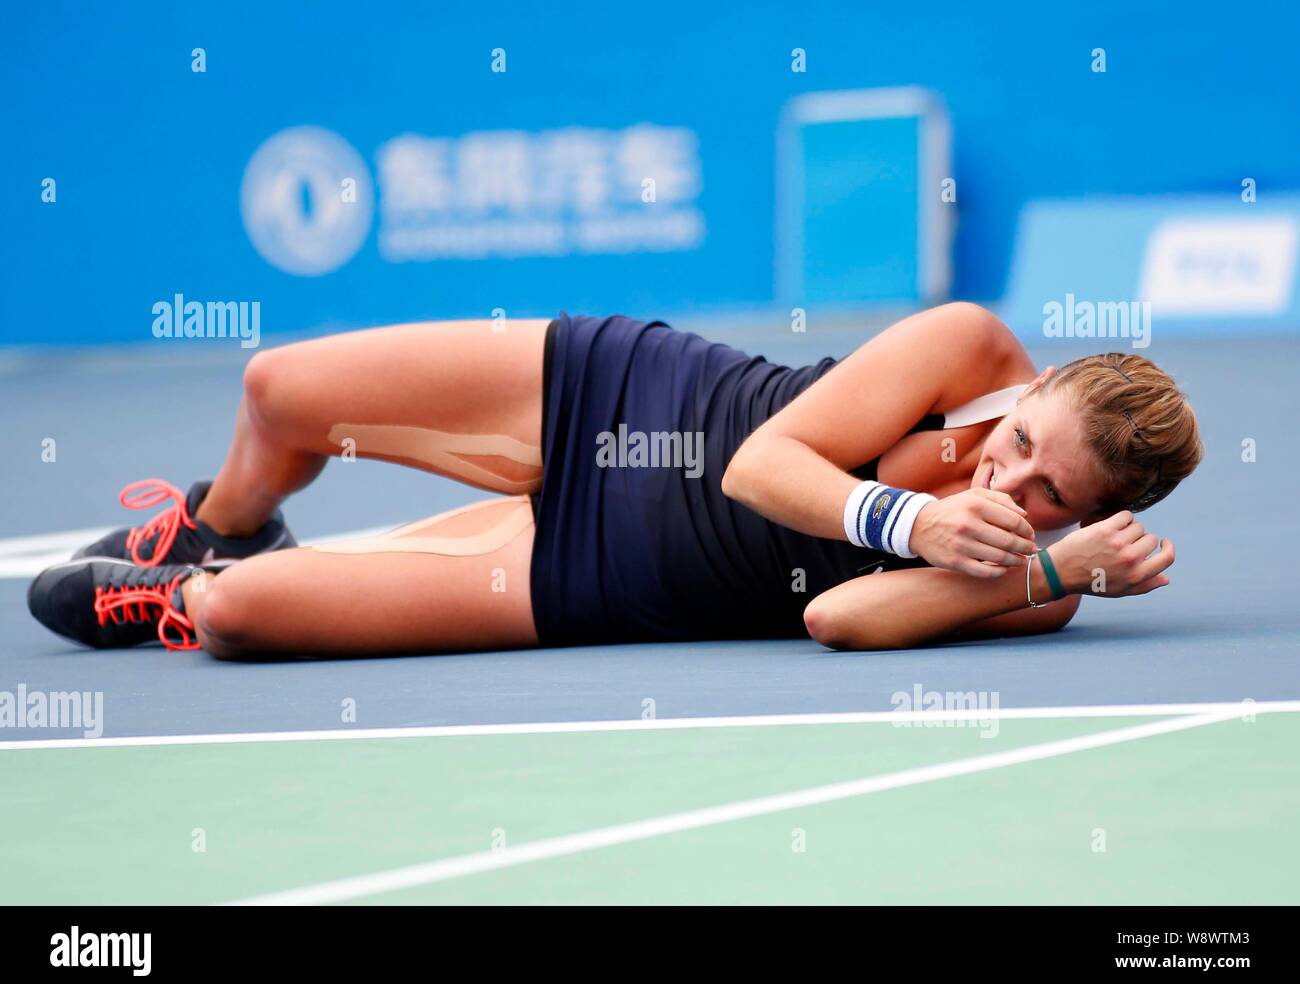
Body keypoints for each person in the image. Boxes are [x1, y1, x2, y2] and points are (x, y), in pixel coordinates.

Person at [28, 303, 1203, 657]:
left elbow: (836, 614)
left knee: (232, 623)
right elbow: (760, 463)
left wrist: (1032, 565)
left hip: (594, 574)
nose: (1012, 476)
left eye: (1054, 494)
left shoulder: (1042, 582)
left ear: (1101, 519)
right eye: (1024, 438)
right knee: (279, 390)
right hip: (625, 398)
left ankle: (198, 588)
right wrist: (911, 517)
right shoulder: (971, 350)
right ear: (1032, 385)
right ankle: (221, 522)